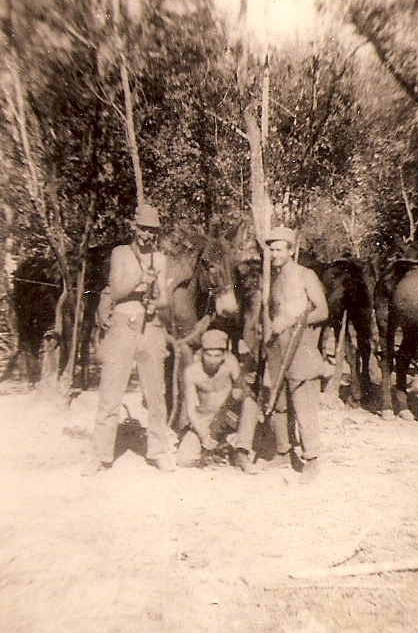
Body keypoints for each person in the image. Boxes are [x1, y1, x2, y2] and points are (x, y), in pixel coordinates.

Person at [85, 203, 175, 475]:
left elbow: (165, 299)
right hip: (123, 325)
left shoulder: (159, 259)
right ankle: (100, 456)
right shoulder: (120, 253)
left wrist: (154, 303)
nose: (147, 235)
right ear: (133, 227)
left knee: (156, 394)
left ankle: (158, 451)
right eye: (143, 229)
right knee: (110, 393)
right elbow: (116, 291)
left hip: (150, 328)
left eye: (152, 231)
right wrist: (139, 277)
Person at [235, 225, 328, 482]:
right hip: (277, 348)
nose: (274, 254)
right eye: (271, 249)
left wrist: (292, 321)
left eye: (279, 249)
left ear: (291, 250)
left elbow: (322, 311)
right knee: (278, 402)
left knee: (303, 403)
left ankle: (312, 459)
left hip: (301, 347)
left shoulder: (305, 275)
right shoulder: (273, 280)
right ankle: (283, 452)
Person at [176, 329, 259, 473]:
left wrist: (241, 392)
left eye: (217, 356)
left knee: (251, 404)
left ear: (224, 355)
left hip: (228, 416)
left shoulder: (230, 363)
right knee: (184, 460)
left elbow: (245, 391)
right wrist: (203, 436)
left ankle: (241, 453)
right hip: (204, 419)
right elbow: (190, 409)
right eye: (208, 355)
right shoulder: (191, 372)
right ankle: (218, 450)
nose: (213, 361)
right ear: (202, 353)